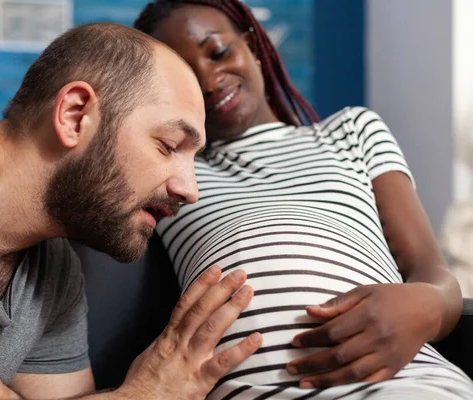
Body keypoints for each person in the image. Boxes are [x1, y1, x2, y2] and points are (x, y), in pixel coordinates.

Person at [0, 23, 264, 400]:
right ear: (75, 115)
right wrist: (145, 394)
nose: (189, 190)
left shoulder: (55, 276)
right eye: (167, 145)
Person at [134, 1, 473, 399]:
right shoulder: (169, 174)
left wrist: (425, 308)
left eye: (219, 52)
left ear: (253, 47)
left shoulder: (352, 131)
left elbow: (434, 275)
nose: (209, 80)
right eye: (187, 77)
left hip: (409, 385)